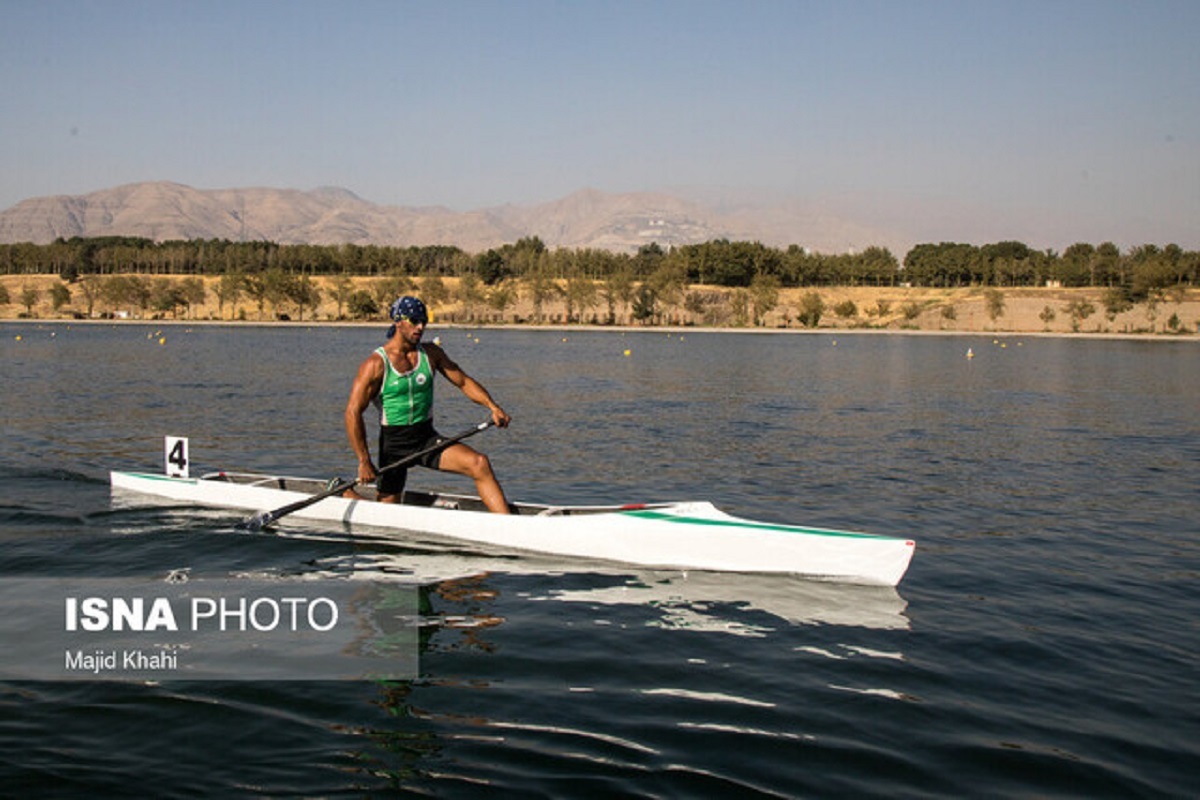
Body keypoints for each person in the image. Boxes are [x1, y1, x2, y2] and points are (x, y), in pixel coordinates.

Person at [344, 296, 512, 513]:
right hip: (394, 445)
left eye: (423, 321)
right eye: (414, 321)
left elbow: (463, 381)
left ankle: (507, 525)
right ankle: (345, 492)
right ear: (398, 322)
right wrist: (363, 460)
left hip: (425, 438)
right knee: (386, 512)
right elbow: (352, 412)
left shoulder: (431, 353)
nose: (420, 327)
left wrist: (493, 406)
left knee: (479, 464)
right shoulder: (375, 365)